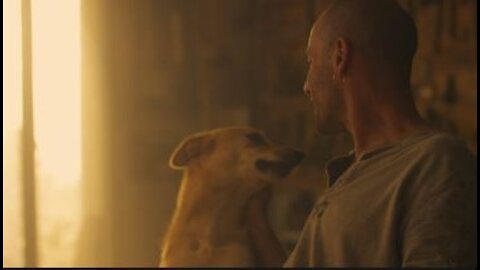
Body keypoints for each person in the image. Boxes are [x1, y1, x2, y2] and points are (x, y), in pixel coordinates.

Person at [246, 0, 477, 267]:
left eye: (311, 60)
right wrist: (256, 220)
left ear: (340, 56)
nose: (306, 86)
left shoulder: (435, 162)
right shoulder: (355, 172)